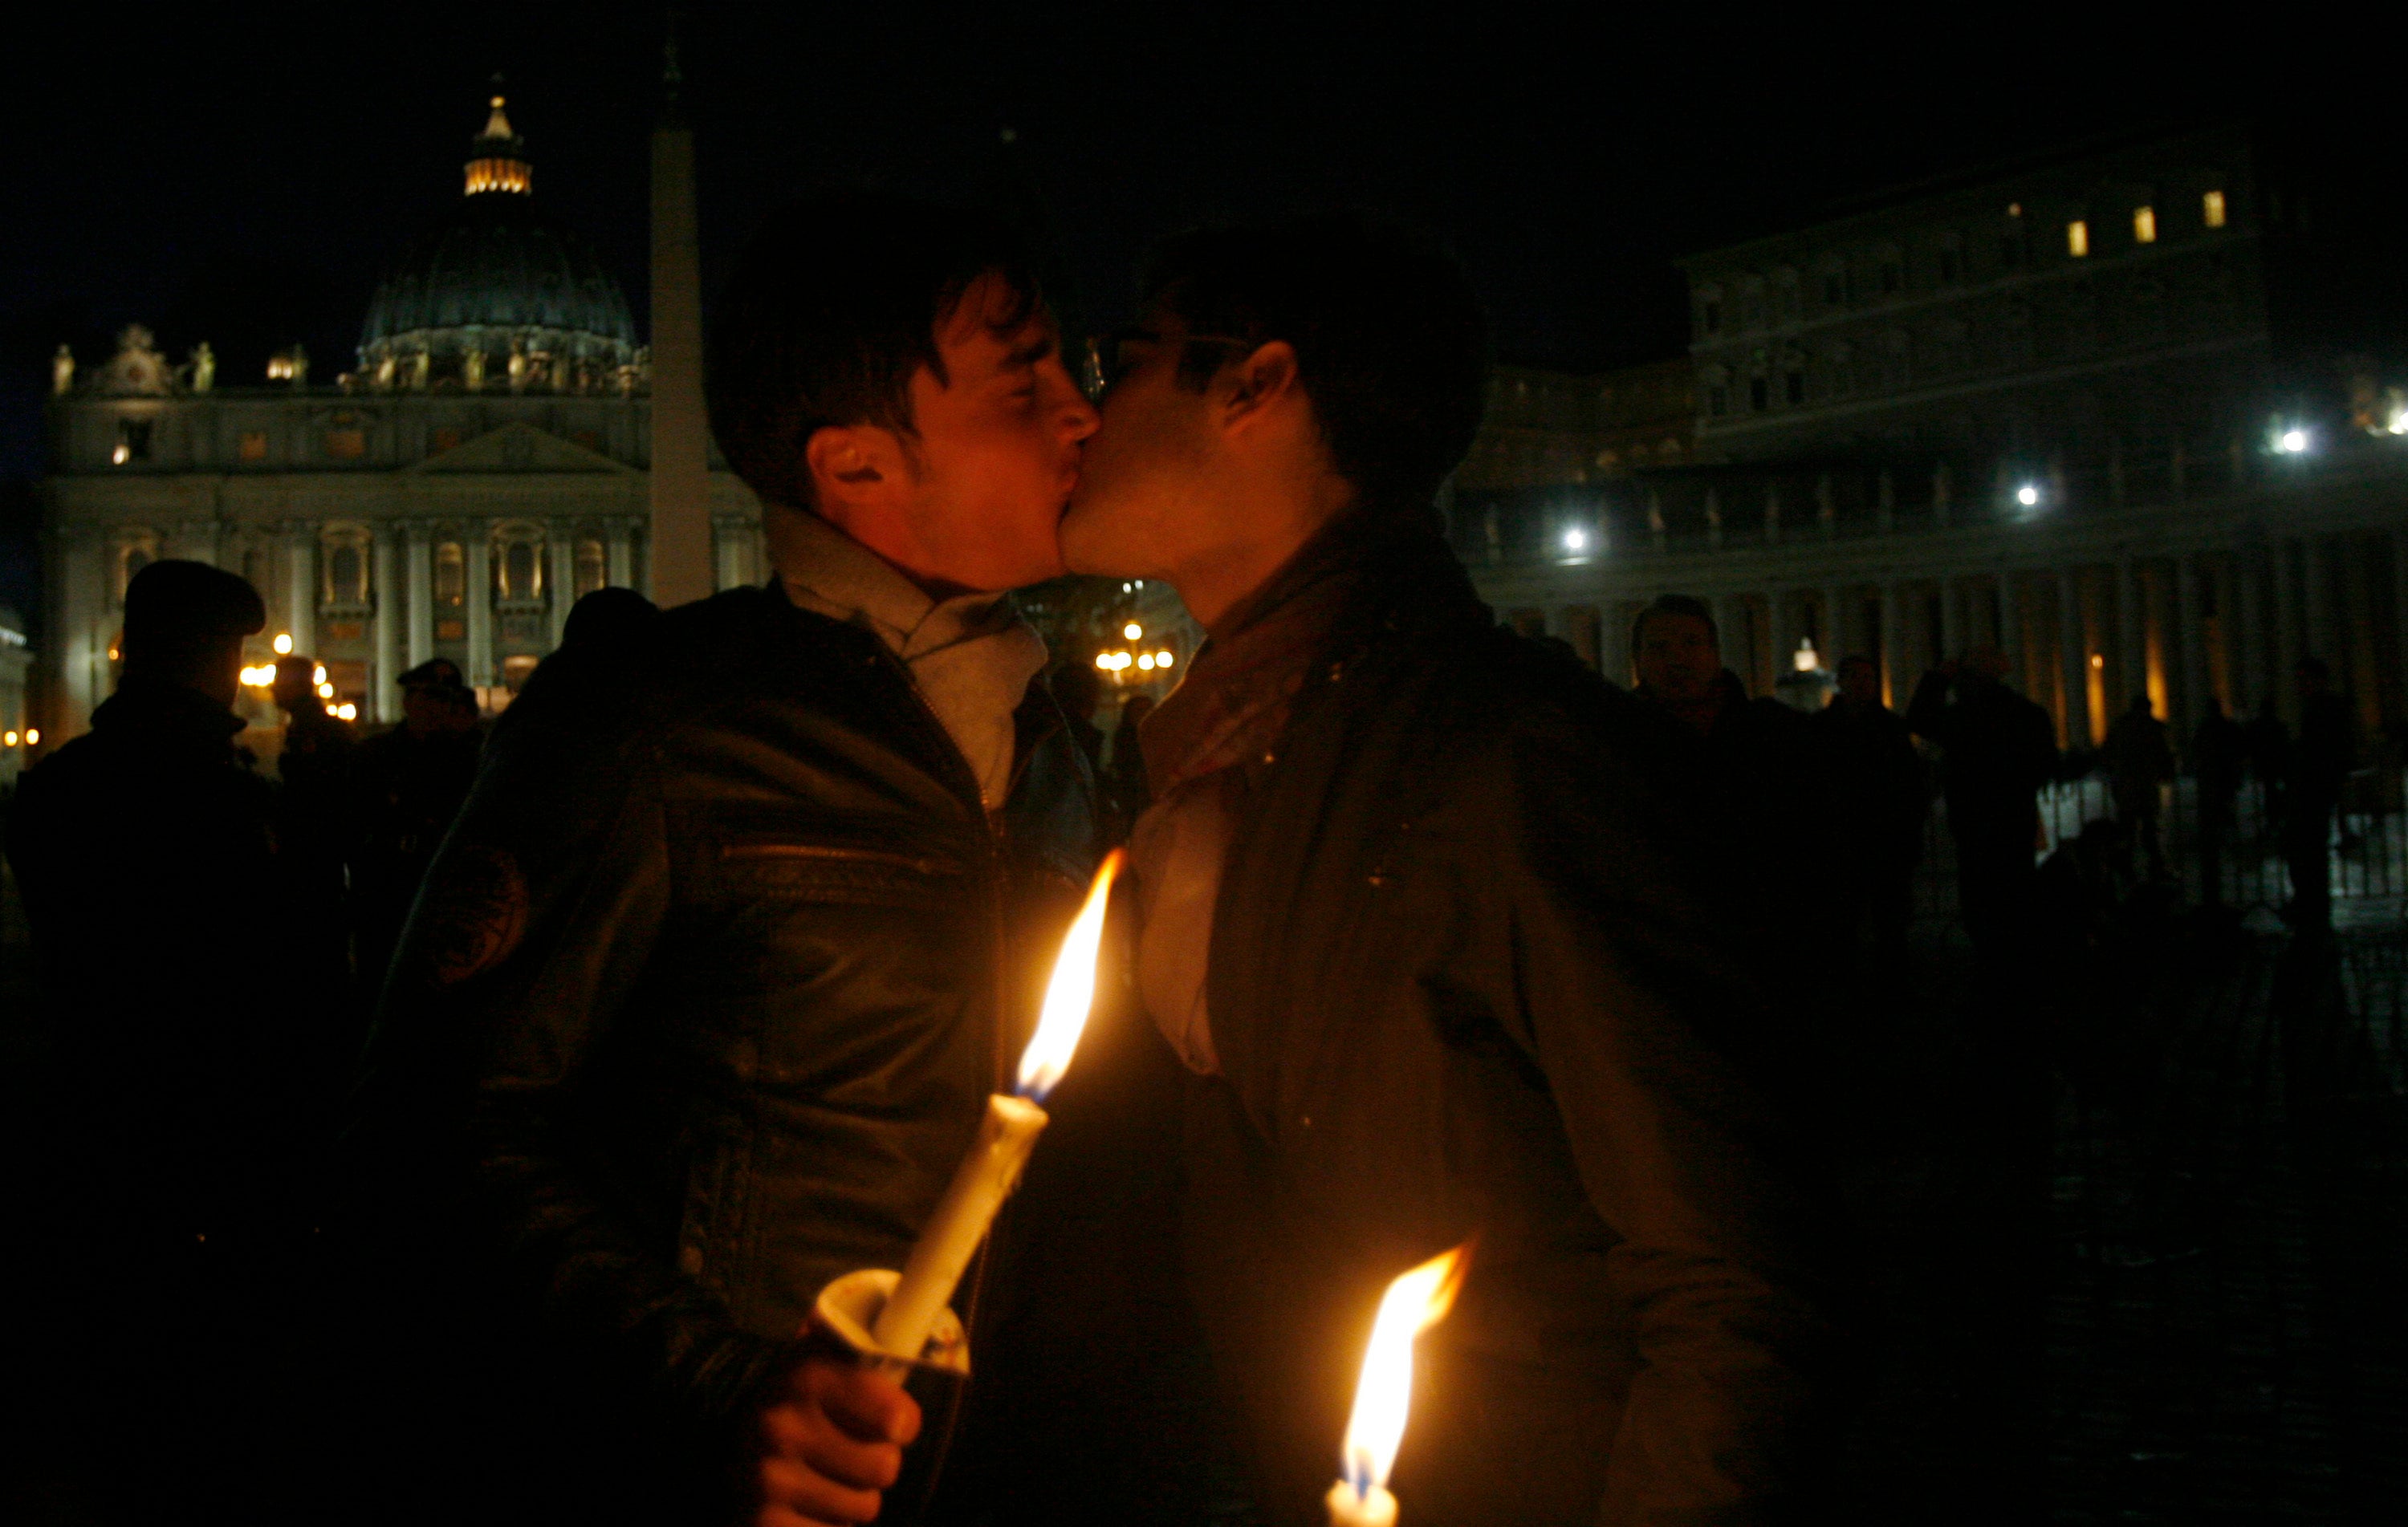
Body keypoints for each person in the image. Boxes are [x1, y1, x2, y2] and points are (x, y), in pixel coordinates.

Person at [347, 191, 1112, 1527]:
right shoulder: (651, 722)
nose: (1084, 415)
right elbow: (439, 1122)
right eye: (1024, 380)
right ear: (856, 465)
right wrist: (724, 1389)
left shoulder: (1051, 740)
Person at [1060, 213, 1824, 1525]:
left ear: (1257, 384)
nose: (1085, 411)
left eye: (1122, 360)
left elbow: (1736, 1278)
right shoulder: (1219, 742)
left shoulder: (1512, 756)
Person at [6, 560, 326, 1521]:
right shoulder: (224, 801)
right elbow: (289, 973)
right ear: (217, 662)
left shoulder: (58, 789)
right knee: (212, 1408)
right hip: (219, 1145)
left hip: (89, 1127)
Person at [1906, 648, 2056, 959]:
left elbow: (1919, 719)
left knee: (1979, 895)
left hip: (1972, 818)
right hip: (2015, 817)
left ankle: (1990, 957)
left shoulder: (1962, 717)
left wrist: (1937, 679)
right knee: (2016, 891)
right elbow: (2045, 764)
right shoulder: (2028, 714)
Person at [348, 658, 483, 1006]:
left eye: (447, 700)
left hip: (442, 896)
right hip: (385, 889)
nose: (438, 708)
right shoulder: (373, 757)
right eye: (430, 697)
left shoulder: (469, 762)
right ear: (409, 701)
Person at [1810, 652, 1928, 952]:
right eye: (1855, 677)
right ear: (1840, 682)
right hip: (1844, 838)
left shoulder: (1888, 728)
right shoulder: (1823, 728)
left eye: (1867, 678)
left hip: (1883, 838)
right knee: (1849, 918)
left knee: (1886, 919)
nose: (1862, 684)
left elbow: (1911, 784)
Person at [2284, 657, 2357, 930]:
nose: (2299, 685)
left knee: (2307, 848)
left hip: (2316, 787)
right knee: (2308, 848)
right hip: (2318, 786)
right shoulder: (2325, 707)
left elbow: (2322, 750)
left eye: (2303, 679)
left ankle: (2310, 904)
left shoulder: (2324, 709)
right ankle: (2311, 903)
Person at [2103, 694, 2175, 880]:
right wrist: (2166, 772)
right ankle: (2155, 865)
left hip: (2126, 785)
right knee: (2149, 827)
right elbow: (2163, 754)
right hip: (2145, 784)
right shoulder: (2152, 727)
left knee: (2127, 828)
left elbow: (2107, 752)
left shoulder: (2120, 726)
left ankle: (2125, 865)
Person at [2193, 697, 2246, 906]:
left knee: (2215, 804)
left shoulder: (2205, 728)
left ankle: (2218, 831)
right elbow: (2240, 746)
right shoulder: (2227, 727)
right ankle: (2226, 827)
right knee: (2226, 801)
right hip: (2225, 774)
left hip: (2212, 775)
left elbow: (2197, 748)